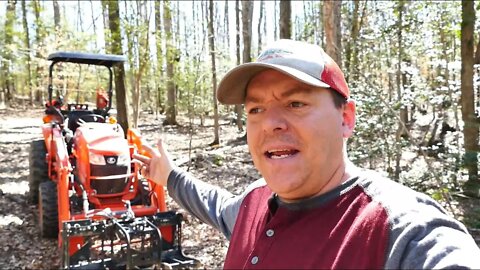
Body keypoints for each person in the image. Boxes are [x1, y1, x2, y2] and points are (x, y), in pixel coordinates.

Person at [133, 39, 480, 269]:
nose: (270, 124)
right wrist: (169, 175)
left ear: (345, 119)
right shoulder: (254, 203)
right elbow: (213, 204)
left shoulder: (398, 231)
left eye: (295, 103)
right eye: (255, 110)